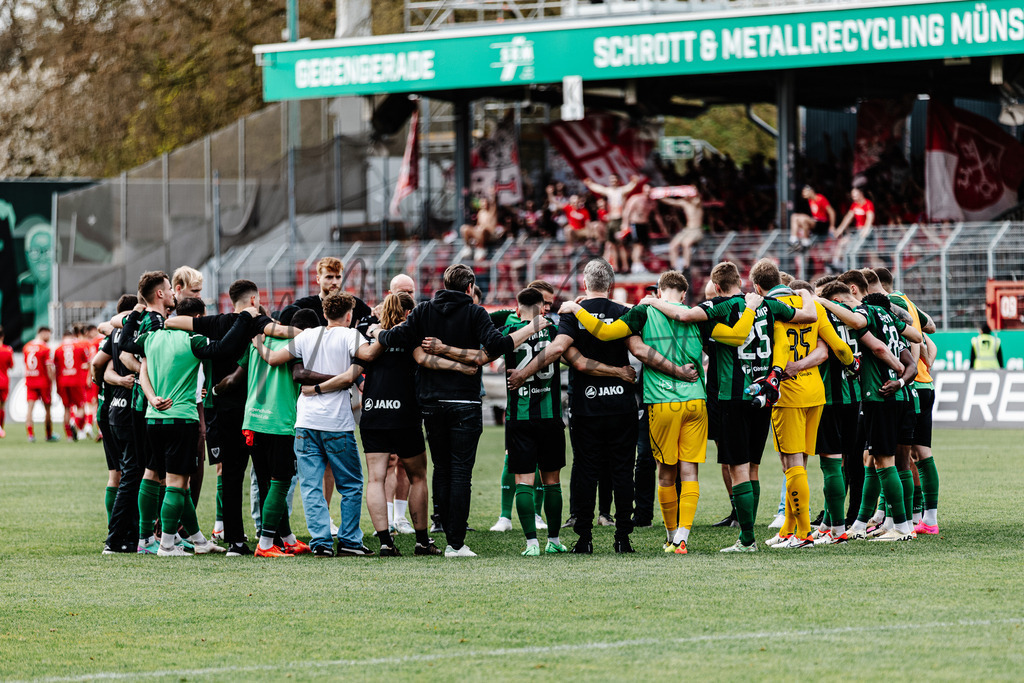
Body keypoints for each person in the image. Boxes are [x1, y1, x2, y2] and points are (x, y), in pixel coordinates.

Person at [567, 270, 758, 554]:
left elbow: (604, 332)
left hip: (661, 402)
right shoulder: (698, 315)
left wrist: (575, 309)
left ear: (658, 291)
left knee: (666, 474)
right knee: (690, 472)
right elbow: (734, 338)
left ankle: (671, 537)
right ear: (683, 294)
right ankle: (682, 536)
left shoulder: (643, 312)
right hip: (696, 400)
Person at [369, 264, 549, 557]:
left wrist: (378, 331)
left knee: (441, 470)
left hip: (431, 402)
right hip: (465, 402)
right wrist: (532, 327)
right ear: (469, 288)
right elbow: (497, 345)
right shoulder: (475, 312)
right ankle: (456, 543)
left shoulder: (424, 310)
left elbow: (395, 338)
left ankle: (443, 531)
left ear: (445, 284)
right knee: (461, 473)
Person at [508, 259, 640, 554]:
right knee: (622, 470)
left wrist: (521, 373)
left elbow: (557, 350)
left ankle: (584, 538)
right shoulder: (625, 313)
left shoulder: (570, 313)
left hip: (586, 406)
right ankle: (622, 537)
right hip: (621, 405)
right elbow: (638, 350)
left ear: (584, 284)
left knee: (585, 470)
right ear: (612, 285)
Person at [166, 279, 298, 557]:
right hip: (259, 411)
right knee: (266, 475)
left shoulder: (217, 322)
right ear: (254, 300)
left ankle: (236, 542)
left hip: (222, 410)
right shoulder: (257, 322)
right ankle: (270, 538)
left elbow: (176, 323)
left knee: (231, 475)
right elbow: (289, 332)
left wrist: (166, 323)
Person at [129, 299, 254, 556]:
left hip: (153, 417)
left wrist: (133, 315)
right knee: (177, 482)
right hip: (182, 417)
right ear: (196, 318)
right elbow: (224, 347)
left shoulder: (151, 337)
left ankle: (156, 539)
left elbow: (125, 345)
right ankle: (166, 544)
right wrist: (244, 319)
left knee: (154, 474)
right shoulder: (192, 340)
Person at [254, 291, 370, 557]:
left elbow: (272, 358)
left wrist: (256, 341)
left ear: (325, 314)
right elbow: (368, 357)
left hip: (305, 421)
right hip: (337, 423)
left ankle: (321, 543)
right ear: (349, 315)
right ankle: (350, 541)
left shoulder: (307, 335)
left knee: (310, 485)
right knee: (351, 485)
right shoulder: (351, 336)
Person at [749, 264, 854, 550]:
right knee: (801, 463)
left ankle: (804, 533)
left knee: (791, 464)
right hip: (816, 393)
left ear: (758, 287)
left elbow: (780, 345)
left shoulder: (772, 307)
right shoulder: (811, 305)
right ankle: (788, 528)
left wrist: (781, 369)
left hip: (789, 394)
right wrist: (852, 364)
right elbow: (837, 347)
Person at [843, 292, 923, 542]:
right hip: (902, 398)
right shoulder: (894, 331)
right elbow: (912, 360)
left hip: (879, 398)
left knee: (886, 463)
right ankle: (865, 523)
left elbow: (878, 349)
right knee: (878, 463)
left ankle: (902, 526)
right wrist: (900, 381)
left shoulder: (871, 323)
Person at [875, 267, 941, 536]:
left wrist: (911, 369)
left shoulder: (893, 304)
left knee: (898, 454)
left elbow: (917, 335)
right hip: (922, 382)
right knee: (916, 453)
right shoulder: (908, 303)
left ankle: (903, 518)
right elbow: (931, 331)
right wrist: (927, 364)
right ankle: (921, 517)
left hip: (908, 384)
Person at [97, 295, 144, 554]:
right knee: (132, 474)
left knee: (122, 474)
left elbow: (100, 368)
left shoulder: (113, 332)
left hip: (113, 408)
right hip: (129, 410)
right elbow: (124, 359)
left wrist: (102, 389)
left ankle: (127, 533)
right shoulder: (133, 330)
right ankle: (119, 537)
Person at [278, 256, 372, 328]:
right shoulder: (306, 304)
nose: (335, 282)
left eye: (338, 277)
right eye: (329, 277)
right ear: (318, 279)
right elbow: (284, 316)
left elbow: (373, 316)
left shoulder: (353, 303)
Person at [621, 185, 667, 274]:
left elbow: (657, 215)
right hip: (635, 223)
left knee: (644, 245)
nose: (647, 193)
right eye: (646, 190)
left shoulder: (652, 203)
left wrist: (662, 228)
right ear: (643, 190)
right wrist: (625, 224)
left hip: (645, 225)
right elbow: (627, 212)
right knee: (637, 245)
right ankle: (636, 264)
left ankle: (639, 263)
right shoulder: (636, 199)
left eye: (649, 191)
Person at [23, 326, 56, 443]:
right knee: (47, 409)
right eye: (49, 334)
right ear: (43, 333)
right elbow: (48, 367)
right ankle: (49, 434)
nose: (49, 337)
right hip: (43, 382)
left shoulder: (27, 346)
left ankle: (30, 435)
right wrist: (52, 380)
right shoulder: (45, 348)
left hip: (30, 380)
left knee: (29, 408)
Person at [55, 327, 89, 441]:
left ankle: (69, 435)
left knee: (66, 409)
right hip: (76, 380)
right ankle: (75, 423)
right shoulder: (79, 347)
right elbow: (87, 363)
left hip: (62, 381)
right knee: (80, 406)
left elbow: (55, 367)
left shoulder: (58, 349)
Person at [661, 189, 704, 271]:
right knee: (673, 245)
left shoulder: (697, 203)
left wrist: (693, 191)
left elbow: (698, 197)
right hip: (687, 229)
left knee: (686, 243)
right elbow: (671, 202)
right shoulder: (684, 203)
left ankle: (686, 267)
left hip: (696, 230)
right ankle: (673, 267)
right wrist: (660, 196)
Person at [832, 187, 874, 268]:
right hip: (858, 232)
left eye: (855, 194)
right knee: (843, 243)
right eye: (852, 195)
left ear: (861, 193)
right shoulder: (854, 205)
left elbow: (870, 218)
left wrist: (866, 230)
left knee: (858, 253)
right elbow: (848, 218)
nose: (853, 196)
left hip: (867, 233)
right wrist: (840, 229)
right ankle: (836, 264)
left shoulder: (868, 204)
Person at [790, 185, 835, 250]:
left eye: (805, 192)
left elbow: (831, 212)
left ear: (811, 191)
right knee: (794, 217)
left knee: (803, 218)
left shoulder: (820, 198)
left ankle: (800, 241)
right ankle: (796, 241)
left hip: (822, 223)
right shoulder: (810, 201)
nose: (804, 195)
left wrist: (832, 226)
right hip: (815, 223)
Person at [459, 196, 500, 260]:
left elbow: (495, 203)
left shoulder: (491, 211)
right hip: (480, 233)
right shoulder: (480, 213)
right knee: (464, 228)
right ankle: (468, 248)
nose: (483, 204)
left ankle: (481, 249)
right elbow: (478, 225)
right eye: (482, 202)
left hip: (489, 234)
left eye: (484, 202)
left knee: (482, 230)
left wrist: (493, 194)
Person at [0, 325, 11, 438]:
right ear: (2, 336)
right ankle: (1, 428)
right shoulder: (7, 350)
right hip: (3, 381)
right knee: (2, 406)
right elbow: (11, 365)